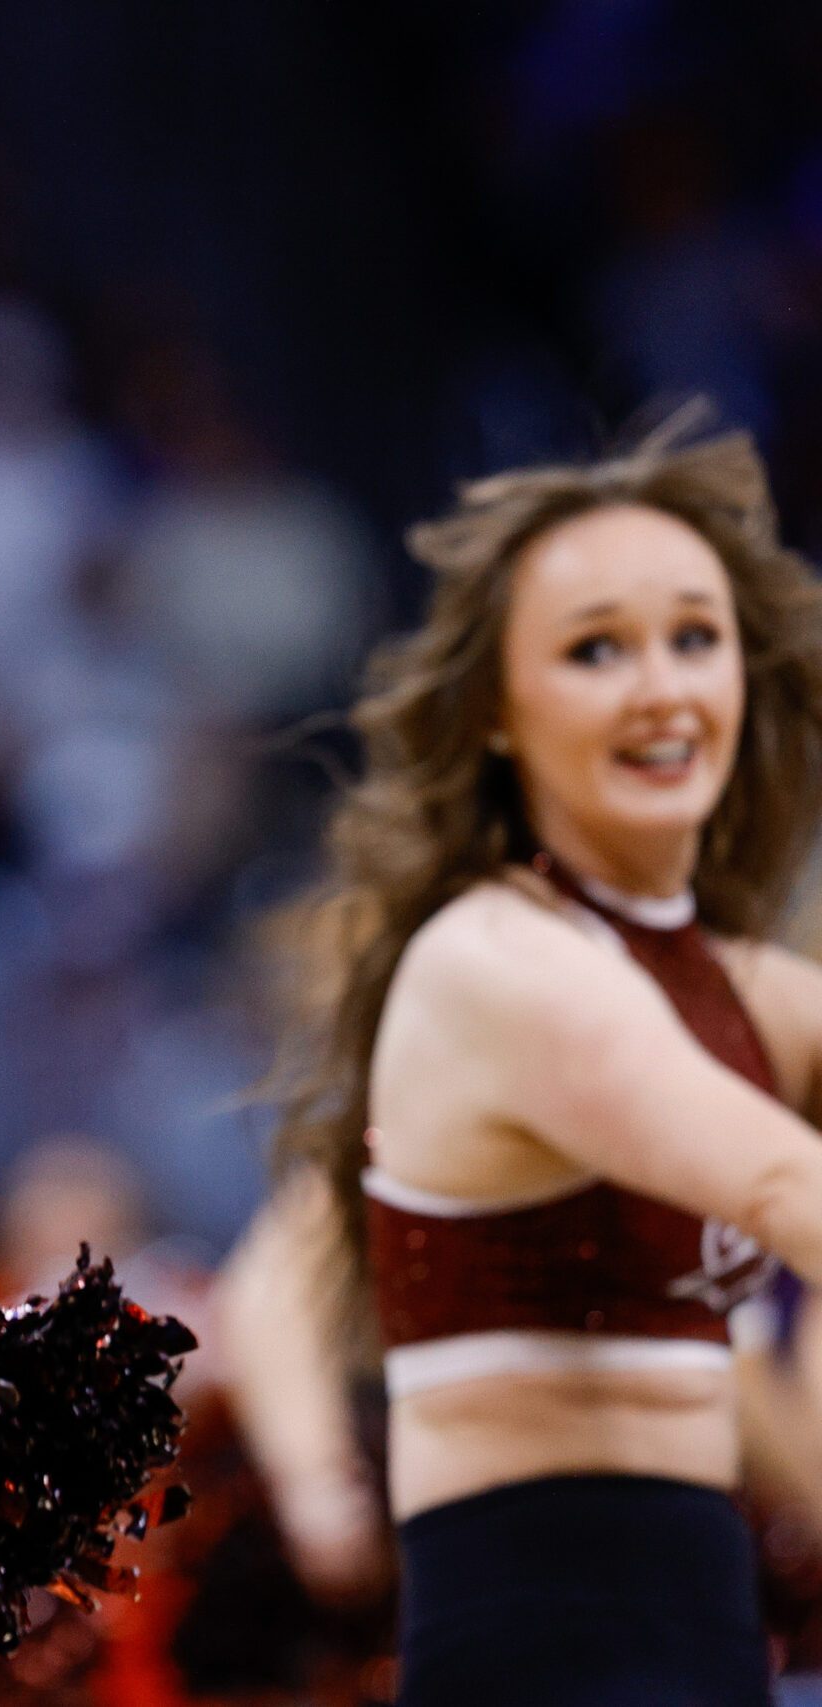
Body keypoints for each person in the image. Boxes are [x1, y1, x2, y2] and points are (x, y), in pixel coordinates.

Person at [266, 411, 822, 1706]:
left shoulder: (745, 989)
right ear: (500, 715)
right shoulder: (496, 962)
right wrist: (307, 1478)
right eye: (594, 649)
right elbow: (792, 1190)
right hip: (546, 1639)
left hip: (705, 1621)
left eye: (695, 635)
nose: (662, 687)